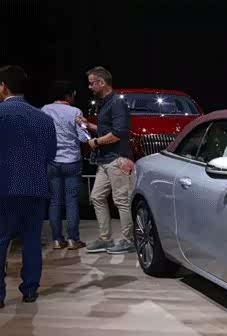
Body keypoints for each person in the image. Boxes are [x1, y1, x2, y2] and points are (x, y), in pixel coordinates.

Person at [0, 65, 58, 308]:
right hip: (35, 187)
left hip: (4, 187)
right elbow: (51, 154)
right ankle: (30, 290)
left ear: (3, 86)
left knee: (1, 240)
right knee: (32, 240)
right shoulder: (44, 118)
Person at [76, 66, 135, 254]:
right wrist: (88, 125)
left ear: (102, 83)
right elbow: (107, 129)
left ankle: (128, 240)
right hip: (105, 160)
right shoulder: (106, 103)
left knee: (121, 201)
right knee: (97, 197)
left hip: (117, 159)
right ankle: (105, 239)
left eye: (92, 83)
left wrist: (95, 142)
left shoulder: (117, 103)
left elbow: (118, 133)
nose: (89, 87)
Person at [41, 81, 91, 250]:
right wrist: (83, 124)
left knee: (55, 201)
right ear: (69, 95)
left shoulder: (45, 110)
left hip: (52, 161)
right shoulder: (75, 111)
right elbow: (84, 137)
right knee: (71, 202)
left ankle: (56, 239)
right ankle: (73, 239)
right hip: (72, 161)